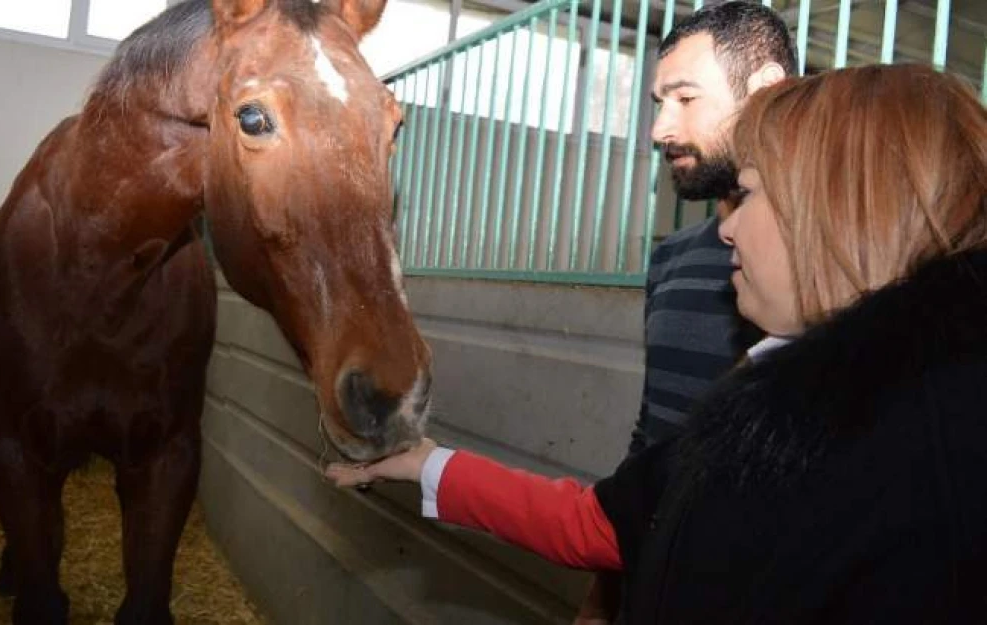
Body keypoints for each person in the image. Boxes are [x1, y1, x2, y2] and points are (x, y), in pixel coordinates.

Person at [327, 63, 987, 624]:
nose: (725, 231)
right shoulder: (777, 396)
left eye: (748, 195)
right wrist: (425, 464)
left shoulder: (923, 477)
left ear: (837, 210)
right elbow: (606, 522)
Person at [582, 3, 796, 620]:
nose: (658, 128)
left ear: (765, 91)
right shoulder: (671, 259)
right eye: (657, 102)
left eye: (684, 98)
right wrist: (603, 597)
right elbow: (649, 443)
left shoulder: (828, 263)